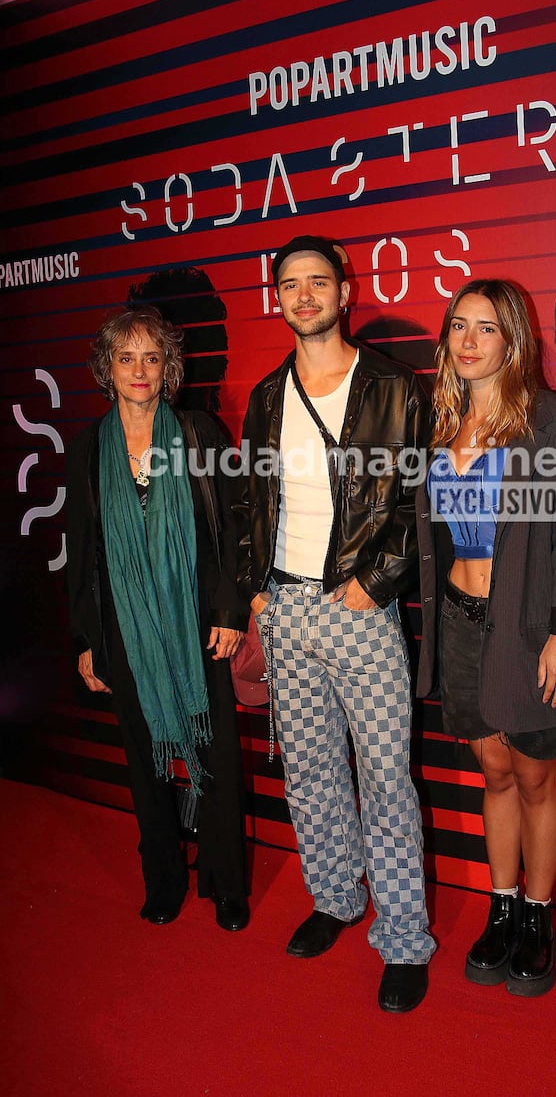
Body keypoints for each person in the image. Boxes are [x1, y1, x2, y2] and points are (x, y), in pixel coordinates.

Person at [235, 235, 435, 1012]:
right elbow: (252, 498)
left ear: (346, 291)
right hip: (284, 607)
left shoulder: (394, 385)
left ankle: (405, 937)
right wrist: (255, 587)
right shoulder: (263, 396)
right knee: (310, 771)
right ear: (276, 298)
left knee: (386, 778)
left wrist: (374, 581)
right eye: (290, 284)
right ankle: (335, 899)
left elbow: (419, 498)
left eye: (318, 281)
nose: (305, 295)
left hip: (359, 607)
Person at [416, 279, 556, 997]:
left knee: (535, 776)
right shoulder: (438, 424)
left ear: (513, 341)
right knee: (492, 772)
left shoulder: (552, 422)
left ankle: (537, 917)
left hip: (531, 629)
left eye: (486, 328)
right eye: (457, 327)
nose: (468, 342)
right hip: (460, 626)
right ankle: (502, 908)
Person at [65, 305, 251, 931]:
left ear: (168, 366)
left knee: (217, 753)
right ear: (107, 368)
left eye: (151, 358)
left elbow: (233, 530)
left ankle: (225, 881)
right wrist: (88, 639)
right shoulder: (91, 446)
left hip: (199, 621)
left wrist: (229, 608)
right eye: (126, 358)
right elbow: (84, 550)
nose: (140, 371)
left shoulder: (199, 433)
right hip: (125, 625)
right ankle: (164, 877)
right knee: (145, 761)